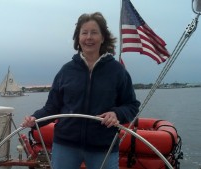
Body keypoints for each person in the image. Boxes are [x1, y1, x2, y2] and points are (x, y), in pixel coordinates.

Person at [21, 12, 140, 169]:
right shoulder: (65, 71)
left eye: (94, 32)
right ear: (78, 38)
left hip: (102, 146)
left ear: (103, 37)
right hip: (65, 145)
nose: (88, 37)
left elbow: (132, 105)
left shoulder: (118, 71)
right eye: (84, 33)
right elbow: (52, 107)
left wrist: (117, 113)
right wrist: (35, 119)